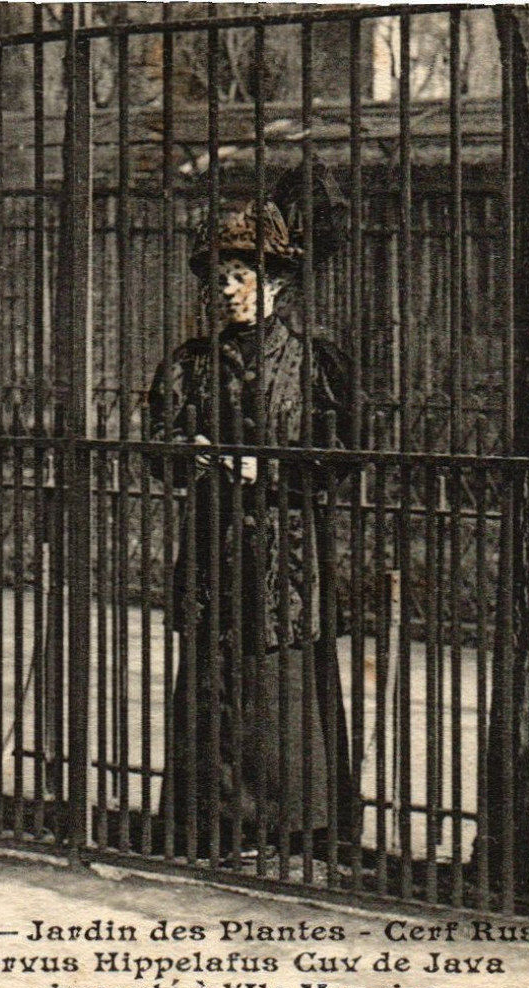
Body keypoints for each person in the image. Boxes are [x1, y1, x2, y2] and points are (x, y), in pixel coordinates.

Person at [146, 173, 361, 861]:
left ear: (275, 286)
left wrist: (270, 470)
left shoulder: (312, 361)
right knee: (211, 674)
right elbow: (156, 448)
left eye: (239, 276)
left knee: (282, 676)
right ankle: (211, 822)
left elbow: (342, 450)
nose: (226, 290)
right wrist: (188, 454)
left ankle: (296, 828)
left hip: (286, 542)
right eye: (216, 278)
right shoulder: (188, 364)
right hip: (212, 539)